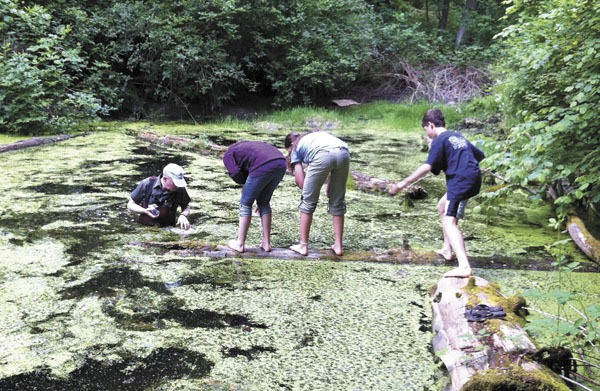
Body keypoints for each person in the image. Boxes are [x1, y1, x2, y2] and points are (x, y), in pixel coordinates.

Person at [390, 109, 485, 277]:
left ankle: (464, 267)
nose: (427, 133)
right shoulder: (456, 136)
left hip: (461, 181)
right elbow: (479, 155)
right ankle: (447, 249)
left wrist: (403, 183)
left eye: (426, 130)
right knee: (442, 206)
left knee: (450, 222)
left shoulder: (439, 140)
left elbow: (427, 167)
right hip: (468, 178)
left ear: (431, 125)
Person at [284, 131, 350, 256]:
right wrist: (330, 181)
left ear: (291, 144)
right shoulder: (315, 137)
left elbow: (301, 184)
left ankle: (303, 246)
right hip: (344, 152)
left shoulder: (295, 148)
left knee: (308, 202)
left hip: (322, 154)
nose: (289, 153)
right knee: (338, 201)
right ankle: (338, 246)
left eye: (288, 150)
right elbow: (333, 156)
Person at [223, 140, 287, 253]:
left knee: (245, 204)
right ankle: (266, 243)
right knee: (264, 203)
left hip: (263, 164)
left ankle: (240, 244)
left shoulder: (228, 155)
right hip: (281, 162)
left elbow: (235, 174)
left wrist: (250, 187)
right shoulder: (246, 146)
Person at [127, 163, 192, 230]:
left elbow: (186, 207)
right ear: (165, 179)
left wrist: (183, 215)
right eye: (175, 183)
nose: (178, 186)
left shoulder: (180, 189)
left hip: (168, 229)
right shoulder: (147, 184)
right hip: (144, 228)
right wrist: (144, 211)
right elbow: (130, 205)